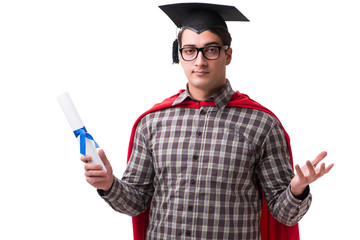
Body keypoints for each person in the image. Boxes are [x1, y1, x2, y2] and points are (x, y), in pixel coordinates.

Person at [80, 3, 334, 240]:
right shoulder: (152, 123)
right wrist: (109, 185)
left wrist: (298, 189)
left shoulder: (262, 125)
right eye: (190, 51)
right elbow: (136, 202)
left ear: (228, 54)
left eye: (210, 50)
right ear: (179, 55)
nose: (199, 61)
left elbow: (283, 214)